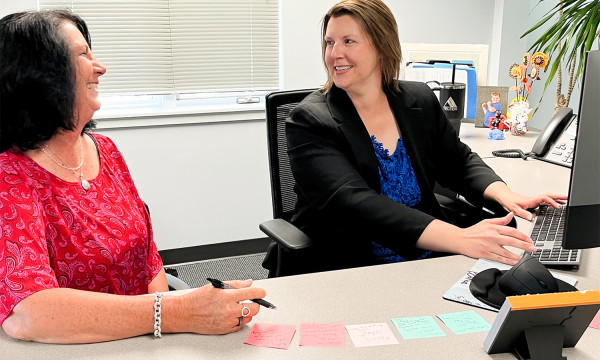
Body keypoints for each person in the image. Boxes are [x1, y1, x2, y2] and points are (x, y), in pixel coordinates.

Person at [0, 10, 266, 344]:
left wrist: (171, 331)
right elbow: (29, 313)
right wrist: (179, 313)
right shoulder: (10, 174)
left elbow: (146, 258)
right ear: (39, 72)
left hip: (146, 336)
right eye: (83, 54)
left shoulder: (105, 150)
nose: (100, 67)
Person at [262, 0, 566, 276]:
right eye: (330, 42)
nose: (334, 53)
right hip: (350, 262)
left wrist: (504, 193)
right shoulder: (309, 120)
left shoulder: (417, 100)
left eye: (348, 41)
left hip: (427, 248)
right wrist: (459, 237)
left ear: (382, 46)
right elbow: (354, 203)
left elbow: (458, 161)